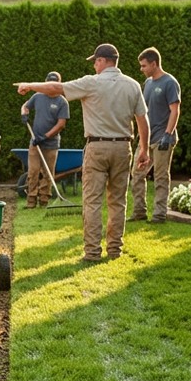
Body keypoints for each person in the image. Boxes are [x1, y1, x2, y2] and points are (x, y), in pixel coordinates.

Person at [15, 44, 150, 261]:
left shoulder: (91, 82)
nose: (94, 65)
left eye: (95, 61)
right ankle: (115, 250)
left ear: (102, 60)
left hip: (97, 147)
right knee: (118, 201)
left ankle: (93, 252)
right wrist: (143, 148)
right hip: (123, 148)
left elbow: (55, 88)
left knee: (92, 201)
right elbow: (142, 120)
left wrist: (29, 85)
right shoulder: (133, 85)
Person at [129, 47, 181, 223]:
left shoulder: (170, 83)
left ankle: (159, 214)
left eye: (144, 65)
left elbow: (175, 111)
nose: (141, 69)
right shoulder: (148, 83)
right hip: (147, 139)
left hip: (162, 138)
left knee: (160, 176)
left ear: (154, 64)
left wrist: (168, 134)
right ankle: (139, 212)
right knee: (137, 174)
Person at [19, 71, 70, 208]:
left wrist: (45, 137)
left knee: (48, 173)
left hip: (51, 144)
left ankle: (44, 200)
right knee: (33, 171)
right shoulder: (37, 96)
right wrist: (24, 113)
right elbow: (25, 106)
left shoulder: (62, 102)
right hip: (35, 142)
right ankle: (31, 200)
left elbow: (61, 124)